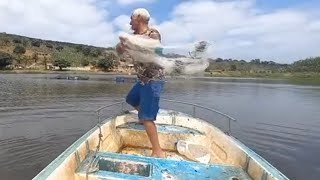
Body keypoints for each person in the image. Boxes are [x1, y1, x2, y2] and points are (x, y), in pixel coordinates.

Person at [116, 8, 165, 158]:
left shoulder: (153, 33)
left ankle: (158, 151)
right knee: (131, 99)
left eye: (131, 19)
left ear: (139, 18)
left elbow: (152, 52)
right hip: (142, 80)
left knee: (147, 118)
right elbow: (119, 52)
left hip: (153, 80)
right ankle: (144, 116)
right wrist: (121, 45)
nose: (130, 22)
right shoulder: (133, 37)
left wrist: (131, 43)